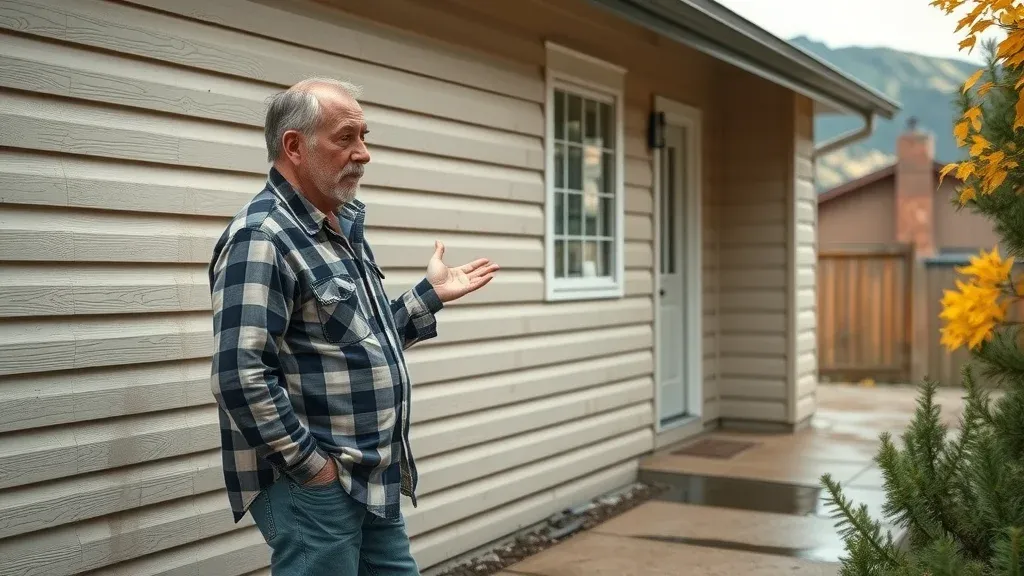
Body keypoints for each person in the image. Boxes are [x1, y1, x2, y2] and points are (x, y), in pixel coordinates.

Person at [208, 77, 499, 575]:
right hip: (317, 484)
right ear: (294, 146)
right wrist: (314, 469)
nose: (363, 153)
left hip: (369, 475)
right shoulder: (262, 237)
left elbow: (355, 339)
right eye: (345, 137)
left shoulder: (336, 225)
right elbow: (240, 375)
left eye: (364, 136)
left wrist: (429, 295)